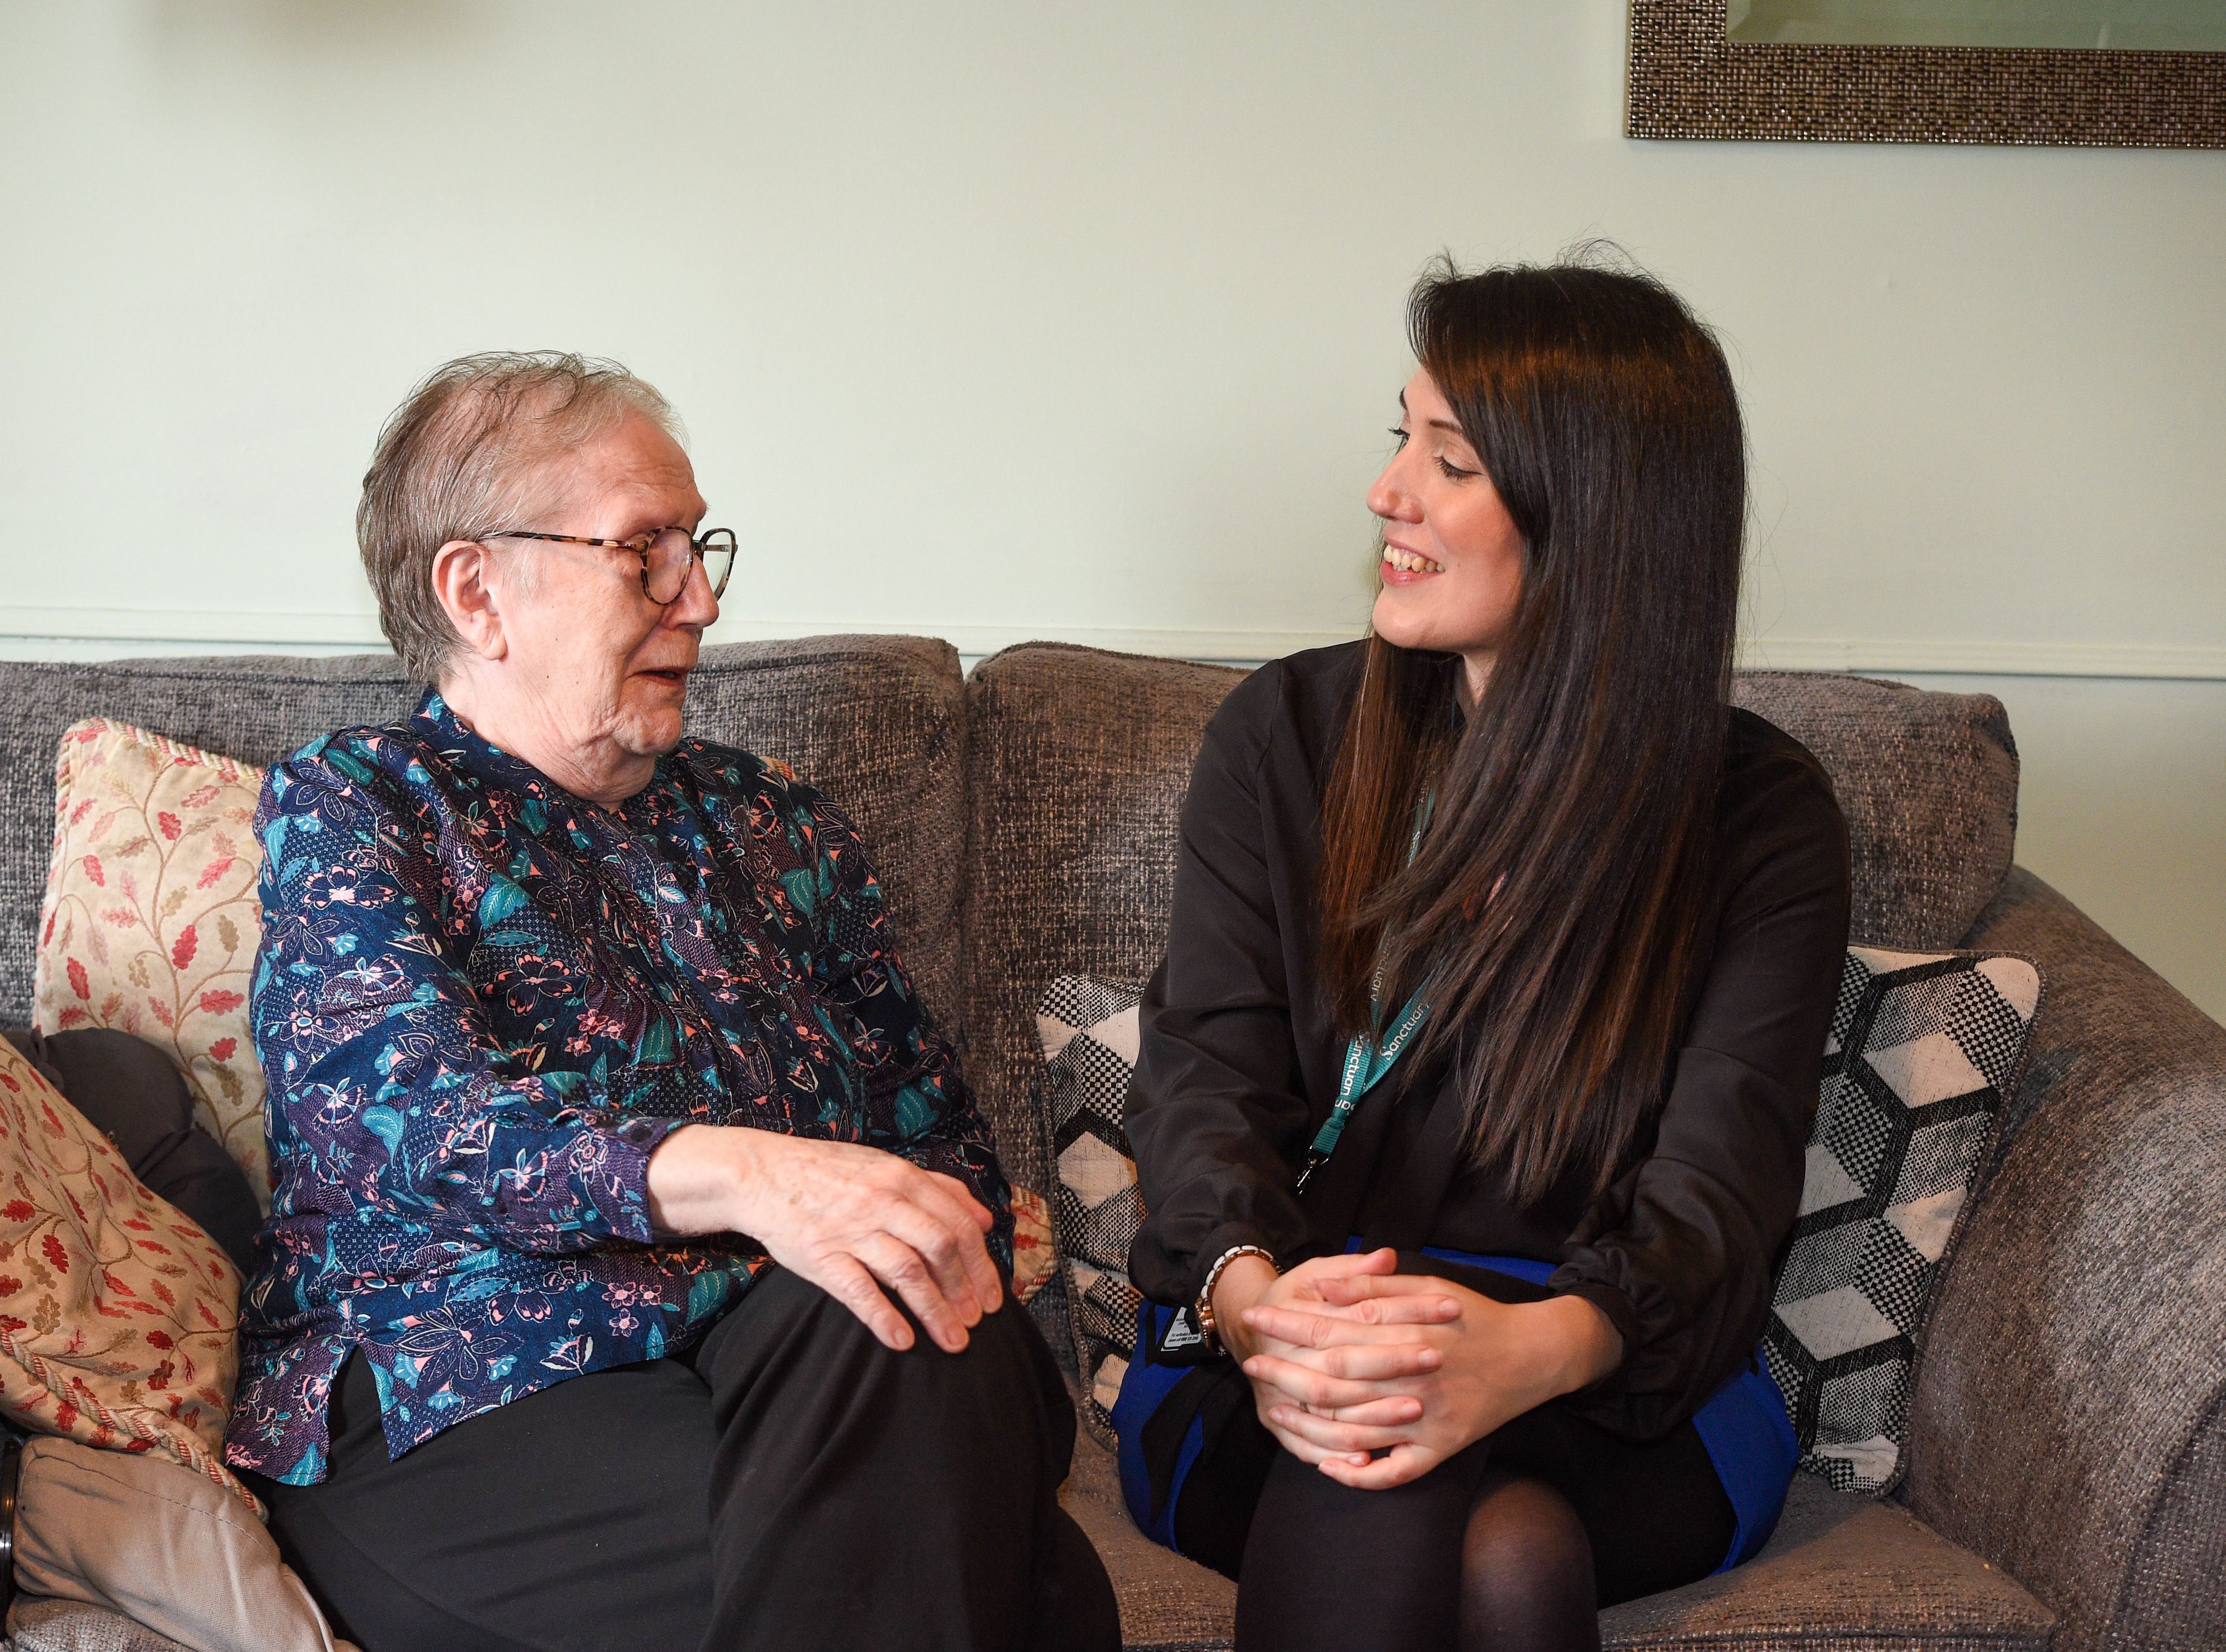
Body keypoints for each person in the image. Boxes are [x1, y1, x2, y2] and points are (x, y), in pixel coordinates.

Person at [226, 352, 1119, 1652]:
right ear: (477, 589)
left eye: (698, 548)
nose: (697, 599)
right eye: (643, 552)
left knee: (892, 1320)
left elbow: (939, 1149)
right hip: (471, 1383)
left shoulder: (771, 819)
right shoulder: (364, 800)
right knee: (1032, 1594)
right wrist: (750, 1176)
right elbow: (405, 1121)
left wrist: (853, 1220)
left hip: (818, 1364)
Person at [1124, 257, 1851, 1652]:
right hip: (1294, 1333)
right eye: (1399, 439)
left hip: (1614, 1366)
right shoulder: (1283, 739)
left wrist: (1528, 1350)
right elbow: (1206, 1079)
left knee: (1468, 1510)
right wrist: (1264, 1310)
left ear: (1599, 519)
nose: (1387, 492)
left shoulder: (1756, 815)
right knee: (1481, 1537)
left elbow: (1722, 1180)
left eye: (1446, 460)